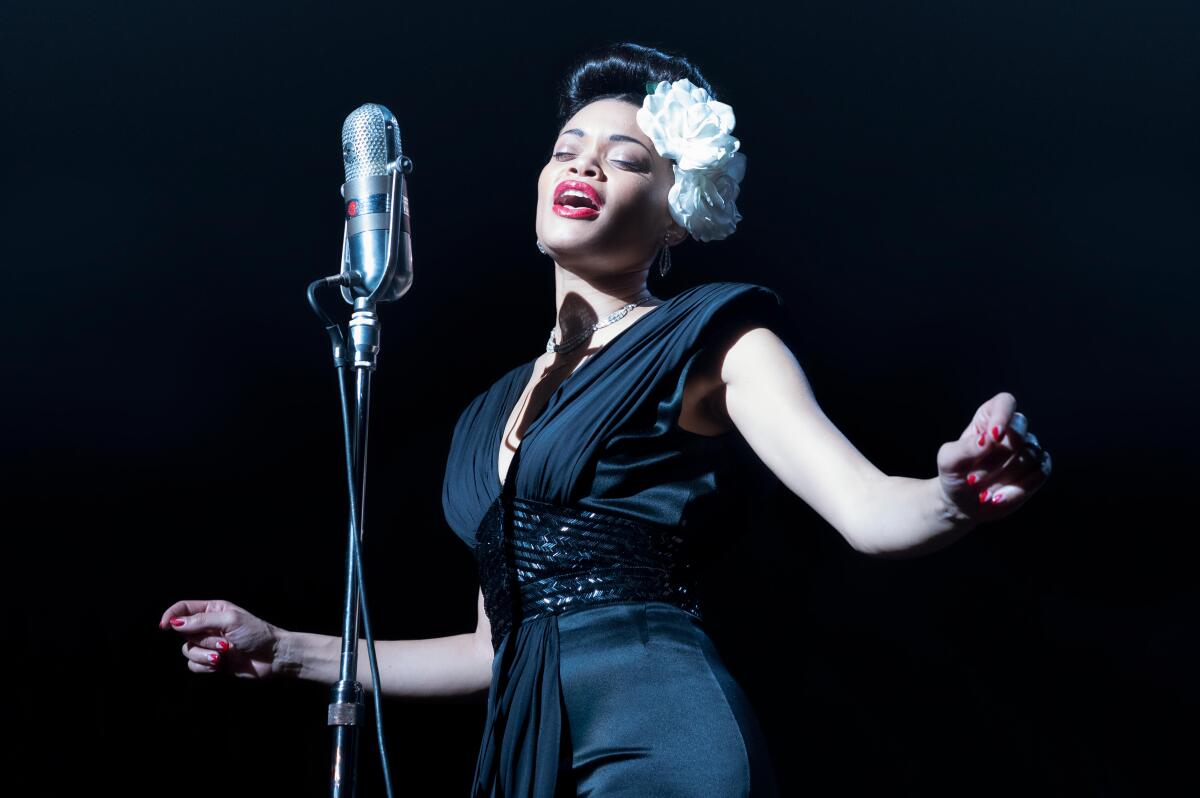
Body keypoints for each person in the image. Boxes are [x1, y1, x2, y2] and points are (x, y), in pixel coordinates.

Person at [161, 42, 1052, 797]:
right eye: (568, 147)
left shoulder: (716, 338)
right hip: (526, 746)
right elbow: (489, 650)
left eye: (626, 159)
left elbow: (870, 511)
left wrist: (954, 496)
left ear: (677, 212)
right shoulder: (485, 413)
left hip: (663, 732)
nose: (585, 165)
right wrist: (285, 650)